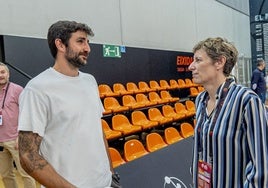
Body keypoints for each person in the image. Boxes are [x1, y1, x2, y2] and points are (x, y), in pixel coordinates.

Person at [18, 20, 121, 188]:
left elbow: (98, 130)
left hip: (105, 182)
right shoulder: (37, 89)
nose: (87, 48)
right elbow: (28, 156)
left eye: (87, 42)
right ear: (60, 44)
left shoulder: (90, 81)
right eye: (80, 41)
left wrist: (110, 172)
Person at [188, 37, 268, 187]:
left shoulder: (247, 100)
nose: (191, 67)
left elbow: (262, 166)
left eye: (198, 60)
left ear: (219, 62)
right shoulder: (200, 100)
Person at [0, 63, 36, 188]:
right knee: (6, 175)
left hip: (16, 139)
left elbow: (27, 113)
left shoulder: (17, 90)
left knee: (26, 173)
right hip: (0, 142)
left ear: (8, 74)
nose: (0, 75)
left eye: (3, 72)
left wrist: (20, 136)